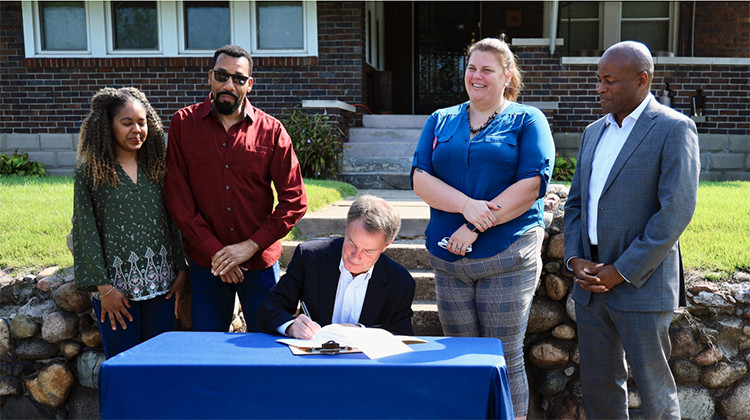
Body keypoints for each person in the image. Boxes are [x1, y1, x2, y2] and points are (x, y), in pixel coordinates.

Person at [411, 37, 555, 419]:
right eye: (472, 68)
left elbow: (531, 186)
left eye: (487, 69)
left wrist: (474, 226)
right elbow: (420, 178)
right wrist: (466, 207)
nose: (477, 76)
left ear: (507, 76)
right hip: (448, 260)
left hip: (505, 256)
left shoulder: (527, 120)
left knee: (503, 356)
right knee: (461, 357)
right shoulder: (440, 119)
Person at [563, 41, 700, 419]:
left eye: (609, 80)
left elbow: (676, 212)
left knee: (655, 388)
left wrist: (621, 271)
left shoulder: (674, 129)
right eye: (598, 80)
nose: (600, 88)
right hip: (590, 285)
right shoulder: (593, 132)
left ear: (642, 80)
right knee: (599, 387)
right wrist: (575, 259)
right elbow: (575, 204)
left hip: (642, 284)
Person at [165, 45, 307, 333]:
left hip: (260, 266)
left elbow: (294, 199)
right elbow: (178, 197)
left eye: (239, 78)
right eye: (222, 75)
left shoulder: (273, 130)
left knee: (265, 350)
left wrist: (248, 247)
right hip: (208, 265)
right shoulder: (184, 124)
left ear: (249, 84)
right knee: (207, 351)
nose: (229, 84)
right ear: (210, 78)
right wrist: (218, 253)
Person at [73, 87, 188, 359]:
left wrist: (182, 272)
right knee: (124, 367)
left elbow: (173, 221)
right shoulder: (90, 173)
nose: (136, 129)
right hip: (117, 295)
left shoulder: (159, 167)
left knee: (159, 367)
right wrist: (104, 289)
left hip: (163, 289)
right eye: (127, 123)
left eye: (142, 122)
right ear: (108, 126)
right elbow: (84, 231)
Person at [256, 194, 415, 338]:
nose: (355, 256)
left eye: (368, 251)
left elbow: (403, 336)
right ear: (346, 230)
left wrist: (362, 332)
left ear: (385, 246)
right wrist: (290, 326)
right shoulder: (310, 257)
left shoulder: (400, 282)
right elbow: (269, 308)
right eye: (351, 243)